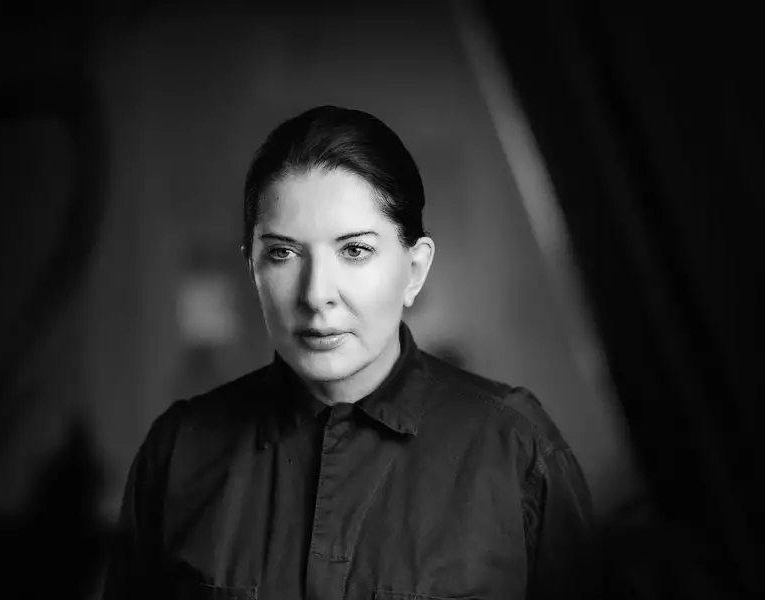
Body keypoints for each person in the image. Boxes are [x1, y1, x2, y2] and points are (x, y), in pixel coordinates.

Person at [102, 106, 593, 600]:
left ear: (415, 270)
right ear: (252, 267)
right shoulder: (180, 451)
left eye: (354, 250)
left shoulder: (516, 449)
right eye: (282, 253)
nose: (316, 295)